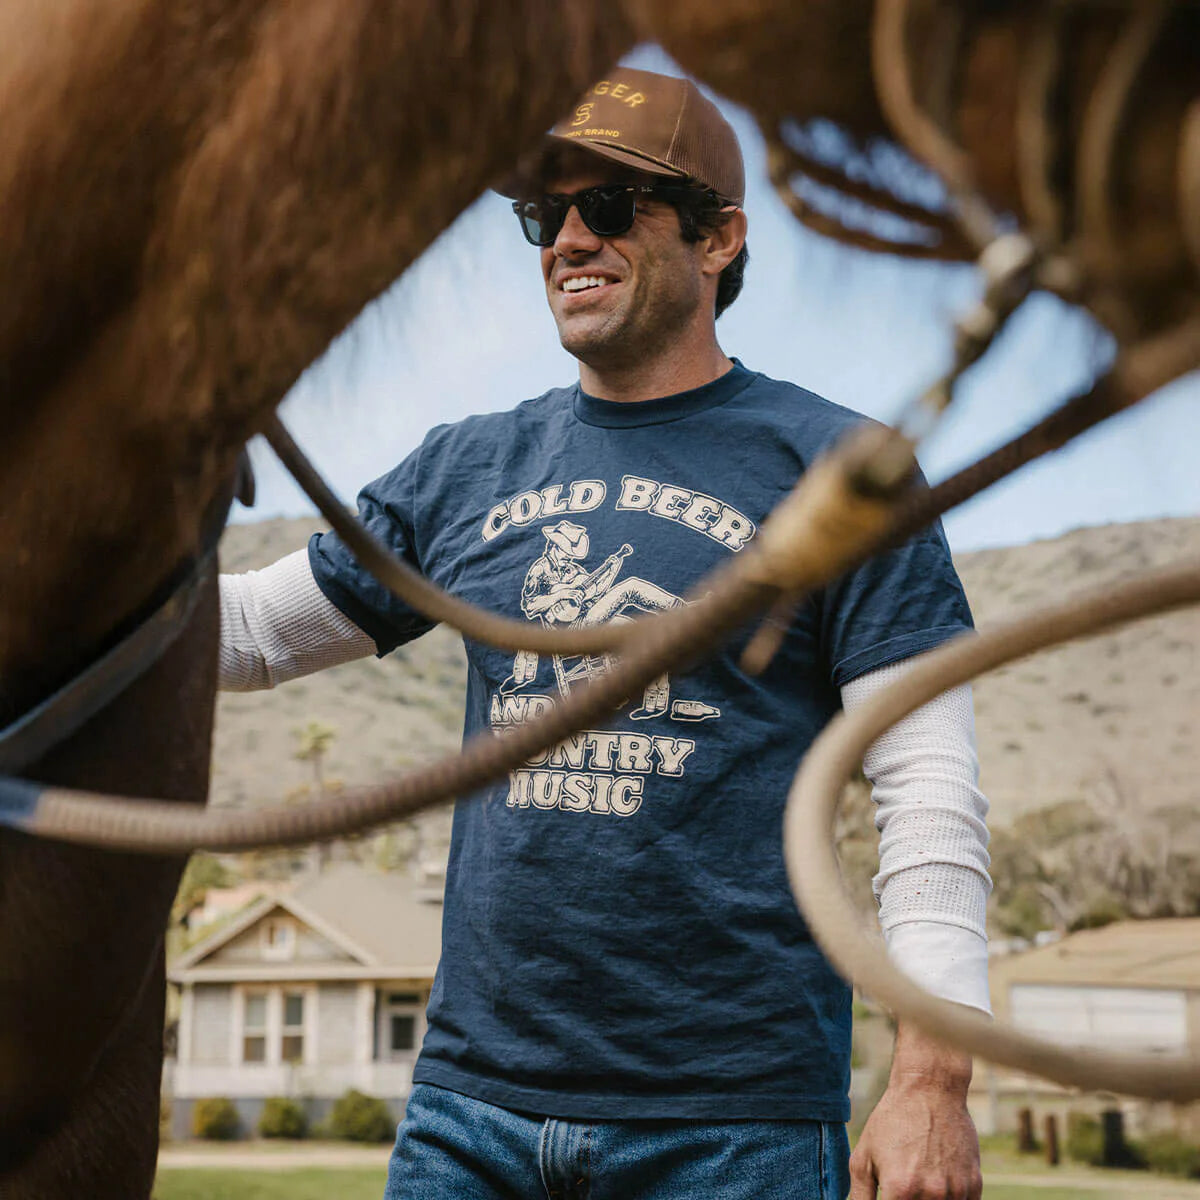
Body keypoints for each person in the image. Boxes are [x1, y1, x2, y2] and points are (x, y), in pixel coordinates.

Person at [219, 67, 991, 1200]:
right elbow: (243, 638)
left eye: (614, 208)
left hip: (733, 1131)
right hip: (467, 1116)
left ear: (720, 238)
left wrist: (934, 1079)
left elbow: (928, 788)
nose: (569, 239)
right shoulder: (463, 469)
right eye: (546, 215)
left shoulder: (843, 472)